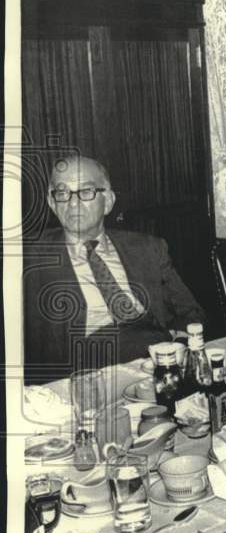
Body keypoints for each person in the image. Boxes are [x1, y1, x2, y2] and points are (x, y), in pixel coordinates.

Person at [23, 155, 204, 383]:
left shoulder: (148, 247)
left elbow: (191, 313)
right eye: (62, 193)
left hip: (154, 364)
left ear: (108, 201)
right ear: (51, 203)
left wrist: (177, 349)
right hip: (85, 375)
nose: (73, 203)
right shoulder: (26, 257)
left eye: (86, 192)